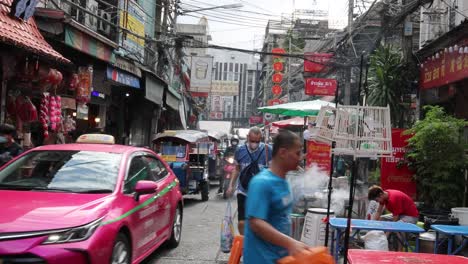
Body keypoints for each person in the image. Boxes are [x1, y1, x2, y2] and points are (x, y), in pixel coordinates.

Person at [243, 129, 310, 263]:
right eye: (297, 153)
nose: (301, 157)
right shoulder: (261, 183)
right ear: (283, 153)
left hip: (279, 258)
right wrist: (291, 243)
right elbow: (256, 223)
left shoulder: (283, 182)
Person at [227, 127, 272, 235]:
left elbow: (272, 170)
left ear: (261, 139)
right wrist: (230, 185)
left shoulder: (267, 150)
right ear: (247, 138)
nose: (254, 144)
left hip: (260, 193)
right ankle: (244, 242)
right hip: (243, 191)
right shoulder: (240, 150)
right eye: (252, 141)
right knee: (242, 222)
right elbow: (237, 169)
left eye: (257, 141)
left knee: (258, 222)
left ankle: (254, 242)